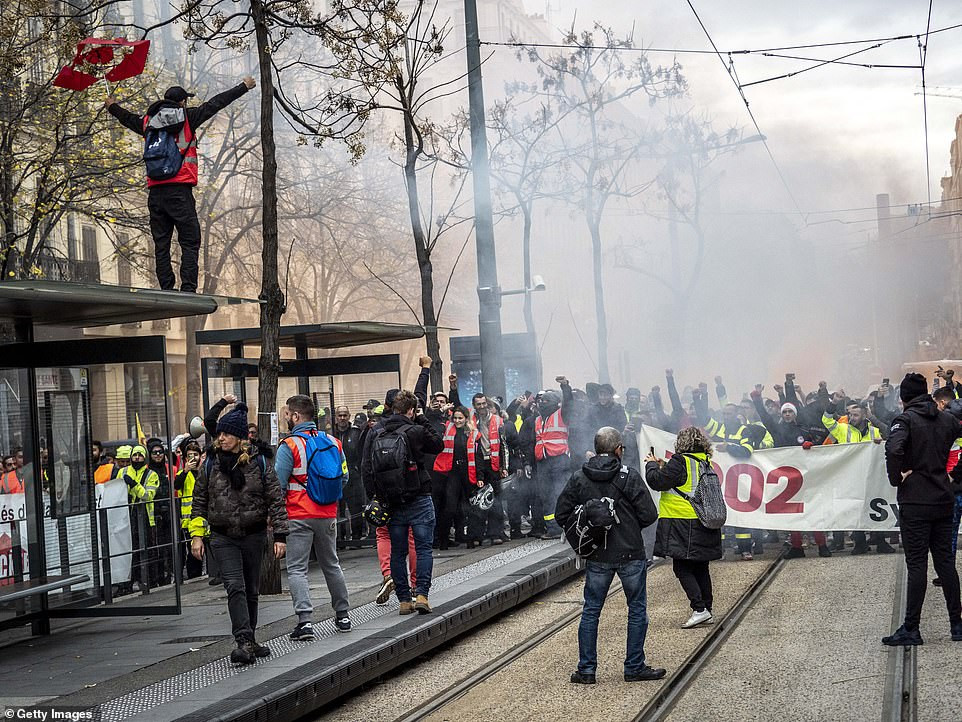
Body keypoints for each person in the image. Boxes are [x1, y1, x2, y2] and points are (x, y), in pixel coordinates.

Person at [105, 78, 255, 292]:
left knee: (161, 242)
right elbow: (216, 103)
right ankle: (188, 287)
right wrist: (243, 87)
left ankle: (167, 286)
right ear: (182, 102)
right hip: (179, 191)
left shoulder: (147, 122)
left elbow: (126, 117)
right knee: (190, 239)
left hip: (155, 192)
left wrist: (112, 106)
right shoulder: (188, 117)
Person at [555, 427, 664, 684]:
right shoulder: (630, 476)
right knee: (636, 609)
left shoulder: (580, 477)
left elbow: (561, 514)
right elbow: (649, 515)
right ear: (618, 450)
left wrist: (586, 524)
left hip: (597, 555)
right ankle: (634, 667)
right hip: (630, 553)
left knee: (591, 610)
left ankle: (587, 670)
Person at [189, 401, 288, 665]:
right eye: (219, 434)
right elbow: (198, 500)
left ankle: (251, 639)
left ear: (240, 438)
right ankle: (243, 640)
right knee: (234, 586)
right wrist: (197, 535)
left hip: (254, 534)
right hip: (222, 536)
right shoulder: (211, 462)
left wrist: (280, 535)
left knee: (251, 590)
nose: (221, 438)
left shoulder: (261, 462)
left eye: (227, 434)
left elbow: (275, 499)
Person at [882, 373, 962, 646]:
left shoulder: (904, 420)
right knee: (945, 563)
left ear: (903, 398)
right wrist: (957, 475)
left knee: (916, 565)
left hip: (916, 500)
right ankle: (957, 624)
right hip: (943, 496)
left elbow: (893, 450)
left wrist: (897, 478)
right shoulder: (947, 419)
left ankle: (911, 629)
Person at [276, 395, 352, 640]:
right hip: (327, 513)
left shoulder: (289, 445)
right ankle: (343, 616)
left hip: (298, 514)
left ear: (296, 416)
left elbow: (277, 484)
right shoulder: (333, 442)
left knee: (297, 569)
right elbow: (344, 477)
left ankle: (306, 623)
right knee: (331, 564)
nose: (287, 417)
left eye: (288, 414)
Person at [364, 389, 443, 614]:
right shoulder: (415, 430)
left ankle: (404, 601)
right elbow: (437, 444)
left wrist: (375, 498)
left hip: (391, 501)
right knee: (423, 548)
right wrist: (422, 418)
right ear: (410, 410)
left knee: (398, 552)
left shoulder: (377, 432)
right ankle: (422, 595)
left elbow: (368, 469)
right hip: (418, 497)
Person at [645, 427, 723, 629]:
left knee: (681, 567)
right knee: (700, 566)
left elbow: (658, 482)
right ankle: (707, 609)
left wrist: (652, 466)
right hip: (702, 521)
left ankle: (699, 609)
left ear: (682, 442)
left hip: (682, 521)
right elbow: (683, 481)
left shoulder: (680, 461)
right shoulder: (704, 460)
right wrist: (665, 465)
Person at [433, 407, 475, 550]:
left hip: (468, 472)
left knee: (468, 507)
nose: (457, 421)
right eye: (455, 418)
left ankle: (470, 538)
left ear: (466, 419)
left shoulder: (472, 432)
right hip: (452, 473)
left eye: (460, 418)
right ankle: (444, 540)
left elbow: (478, 455)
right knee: (450, 507)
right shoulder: (446, 429)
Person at [121, 444, 161, 588]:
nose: (137, 457)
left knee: (147, 550)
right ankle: (129, 582)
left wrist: (133, 485)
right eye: (134, 455)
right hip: (126, 518)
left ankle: (149, 580)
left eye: (140, 455)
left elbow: (148, 496)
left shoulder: (152, 475)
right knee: (129, 551)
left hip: (145, 519)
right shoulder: (123, 472)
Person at [332, 405, 367, 546]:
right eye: (340, 415)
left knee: (355, 508)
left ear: (349, 416)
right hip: (335, 475)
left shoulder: (356, 433)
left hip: (353, 475)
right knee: (337, 509)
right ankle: (340, 539)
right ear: (336, 417)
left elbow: (361, 453)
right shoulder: (330, 433)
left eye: (345, 415)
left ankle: (356, 538)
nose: (342, 418)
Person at [173, 440, 204, 580]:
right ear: (185, 458)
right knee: (193, 552)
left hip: (205, 518)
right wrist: (185, 470)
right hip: (188, 521)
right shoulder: (182, 474)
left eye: (195, 455)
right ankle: (194, 576)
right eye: (190, 455)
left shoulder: (204, 472)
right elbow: (177, 485)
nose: (193, 458)